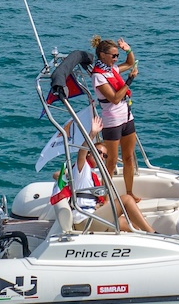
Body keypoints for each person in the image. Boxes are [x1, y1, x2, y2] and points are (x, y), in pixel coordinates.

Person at [51, 138, 156, 235]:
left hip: (92, 216)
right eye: (98, 152)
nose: (101, 156)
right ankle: (153, 234)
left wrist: (68, 178)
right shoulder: (83, 168)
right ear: (89, 152)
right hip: (84, 222)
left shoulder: (86, 172)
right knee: (126, 199)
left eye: (104, 156)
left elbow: (57, 174)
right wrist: (92, 133)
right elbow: (81, 153)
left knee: (132, 225)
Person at [90, 35, 141, 201]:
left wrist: (129, 50)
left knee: (128, 157)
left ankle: (130, 192)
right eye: (114, 56)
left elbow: (130, 63)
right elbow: (114, 98)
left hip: (126, 117)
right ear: (102, 55)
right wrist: (130, 80)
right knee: (111, 161)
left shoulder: (110, 70)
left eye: (117, 55)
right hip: (112, 121)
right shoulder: (99, 76)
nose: (116, 59)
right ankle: (103, 196)